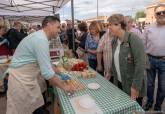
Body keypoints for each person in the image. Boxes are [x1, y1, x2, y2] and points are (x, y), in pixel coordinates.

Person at [6, 16, 75, 114]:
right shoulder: (41, 39)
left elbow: (47, 62)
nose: (59, 30)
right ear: (49, 25)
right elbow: (47, 74)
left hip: (26, 78)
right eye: (58, 27)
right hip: (20, 81)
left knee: (34, 107)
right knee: (23, 110)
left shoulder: (41, 37)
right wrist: (65, 87)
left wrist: (60, 73)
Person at [108, 14, 146, 106]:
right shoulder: (114, 41)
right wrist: (110, 72)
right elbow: (114, 60)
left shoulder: (133, 39)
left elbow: (140, 64)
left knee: (133, 110)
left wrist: (135, 87)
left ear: (119, 25)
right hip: (120, 83)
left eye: (110, 24)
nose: (108, 27)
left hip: (132, 86)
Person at [143, 3, 165, 111]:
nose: (161, 14)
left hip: (164, 62)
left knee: (163, 87)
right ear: (155, 15)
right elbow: (143, 44)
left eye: (164, 12)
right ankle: (149, 103)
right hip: (150, 59)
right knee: (150, 84)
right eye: (158, 12)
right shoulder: (148, 28)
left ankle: (158, 106)